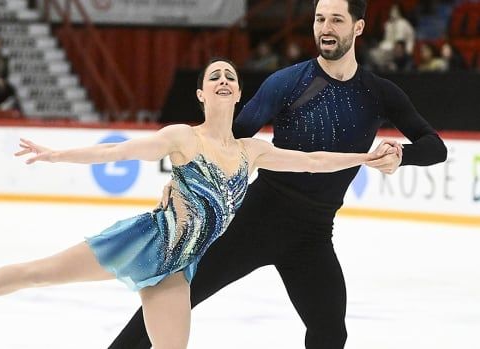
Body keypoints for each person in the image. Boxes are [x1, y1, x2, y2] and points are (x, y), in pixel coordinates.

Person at [0, 58, 397, 349]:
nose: (223, 80)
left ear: (239, 92)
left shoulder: (253, 151)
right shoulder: (184, 137)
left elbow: (312, 162)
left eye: (230, 76)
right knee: (38, 272)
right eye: (214, 77)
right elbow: (119, 151)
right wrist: (57, 154)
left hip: (178, 269)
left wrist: (367, 157)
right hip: (144, 241)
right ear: (202, 94)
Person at [109, 1, 447, 348]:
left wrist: (401, 156)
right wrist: (186, 176)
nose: (325, 28)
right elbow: (227, 136)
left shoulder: (378, 94)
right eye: (319, 19)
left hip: (312, 236)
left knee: (330, 332)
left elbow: (436, 147)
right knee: (173, 296)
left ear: (358, 27)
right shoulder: (289, 82)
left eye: (335, 20)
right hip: (255, 220)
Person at [369, 3, 415, 71]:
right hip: (389, 47)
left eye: (395, 10)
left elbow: (399, 42)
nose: (392, 12)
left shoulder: (403, 23)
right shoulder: (388, 24)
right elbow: (386, 39)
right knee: (372, 54)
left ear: (399, 11)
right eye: (392, 10)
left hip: (402, 50)